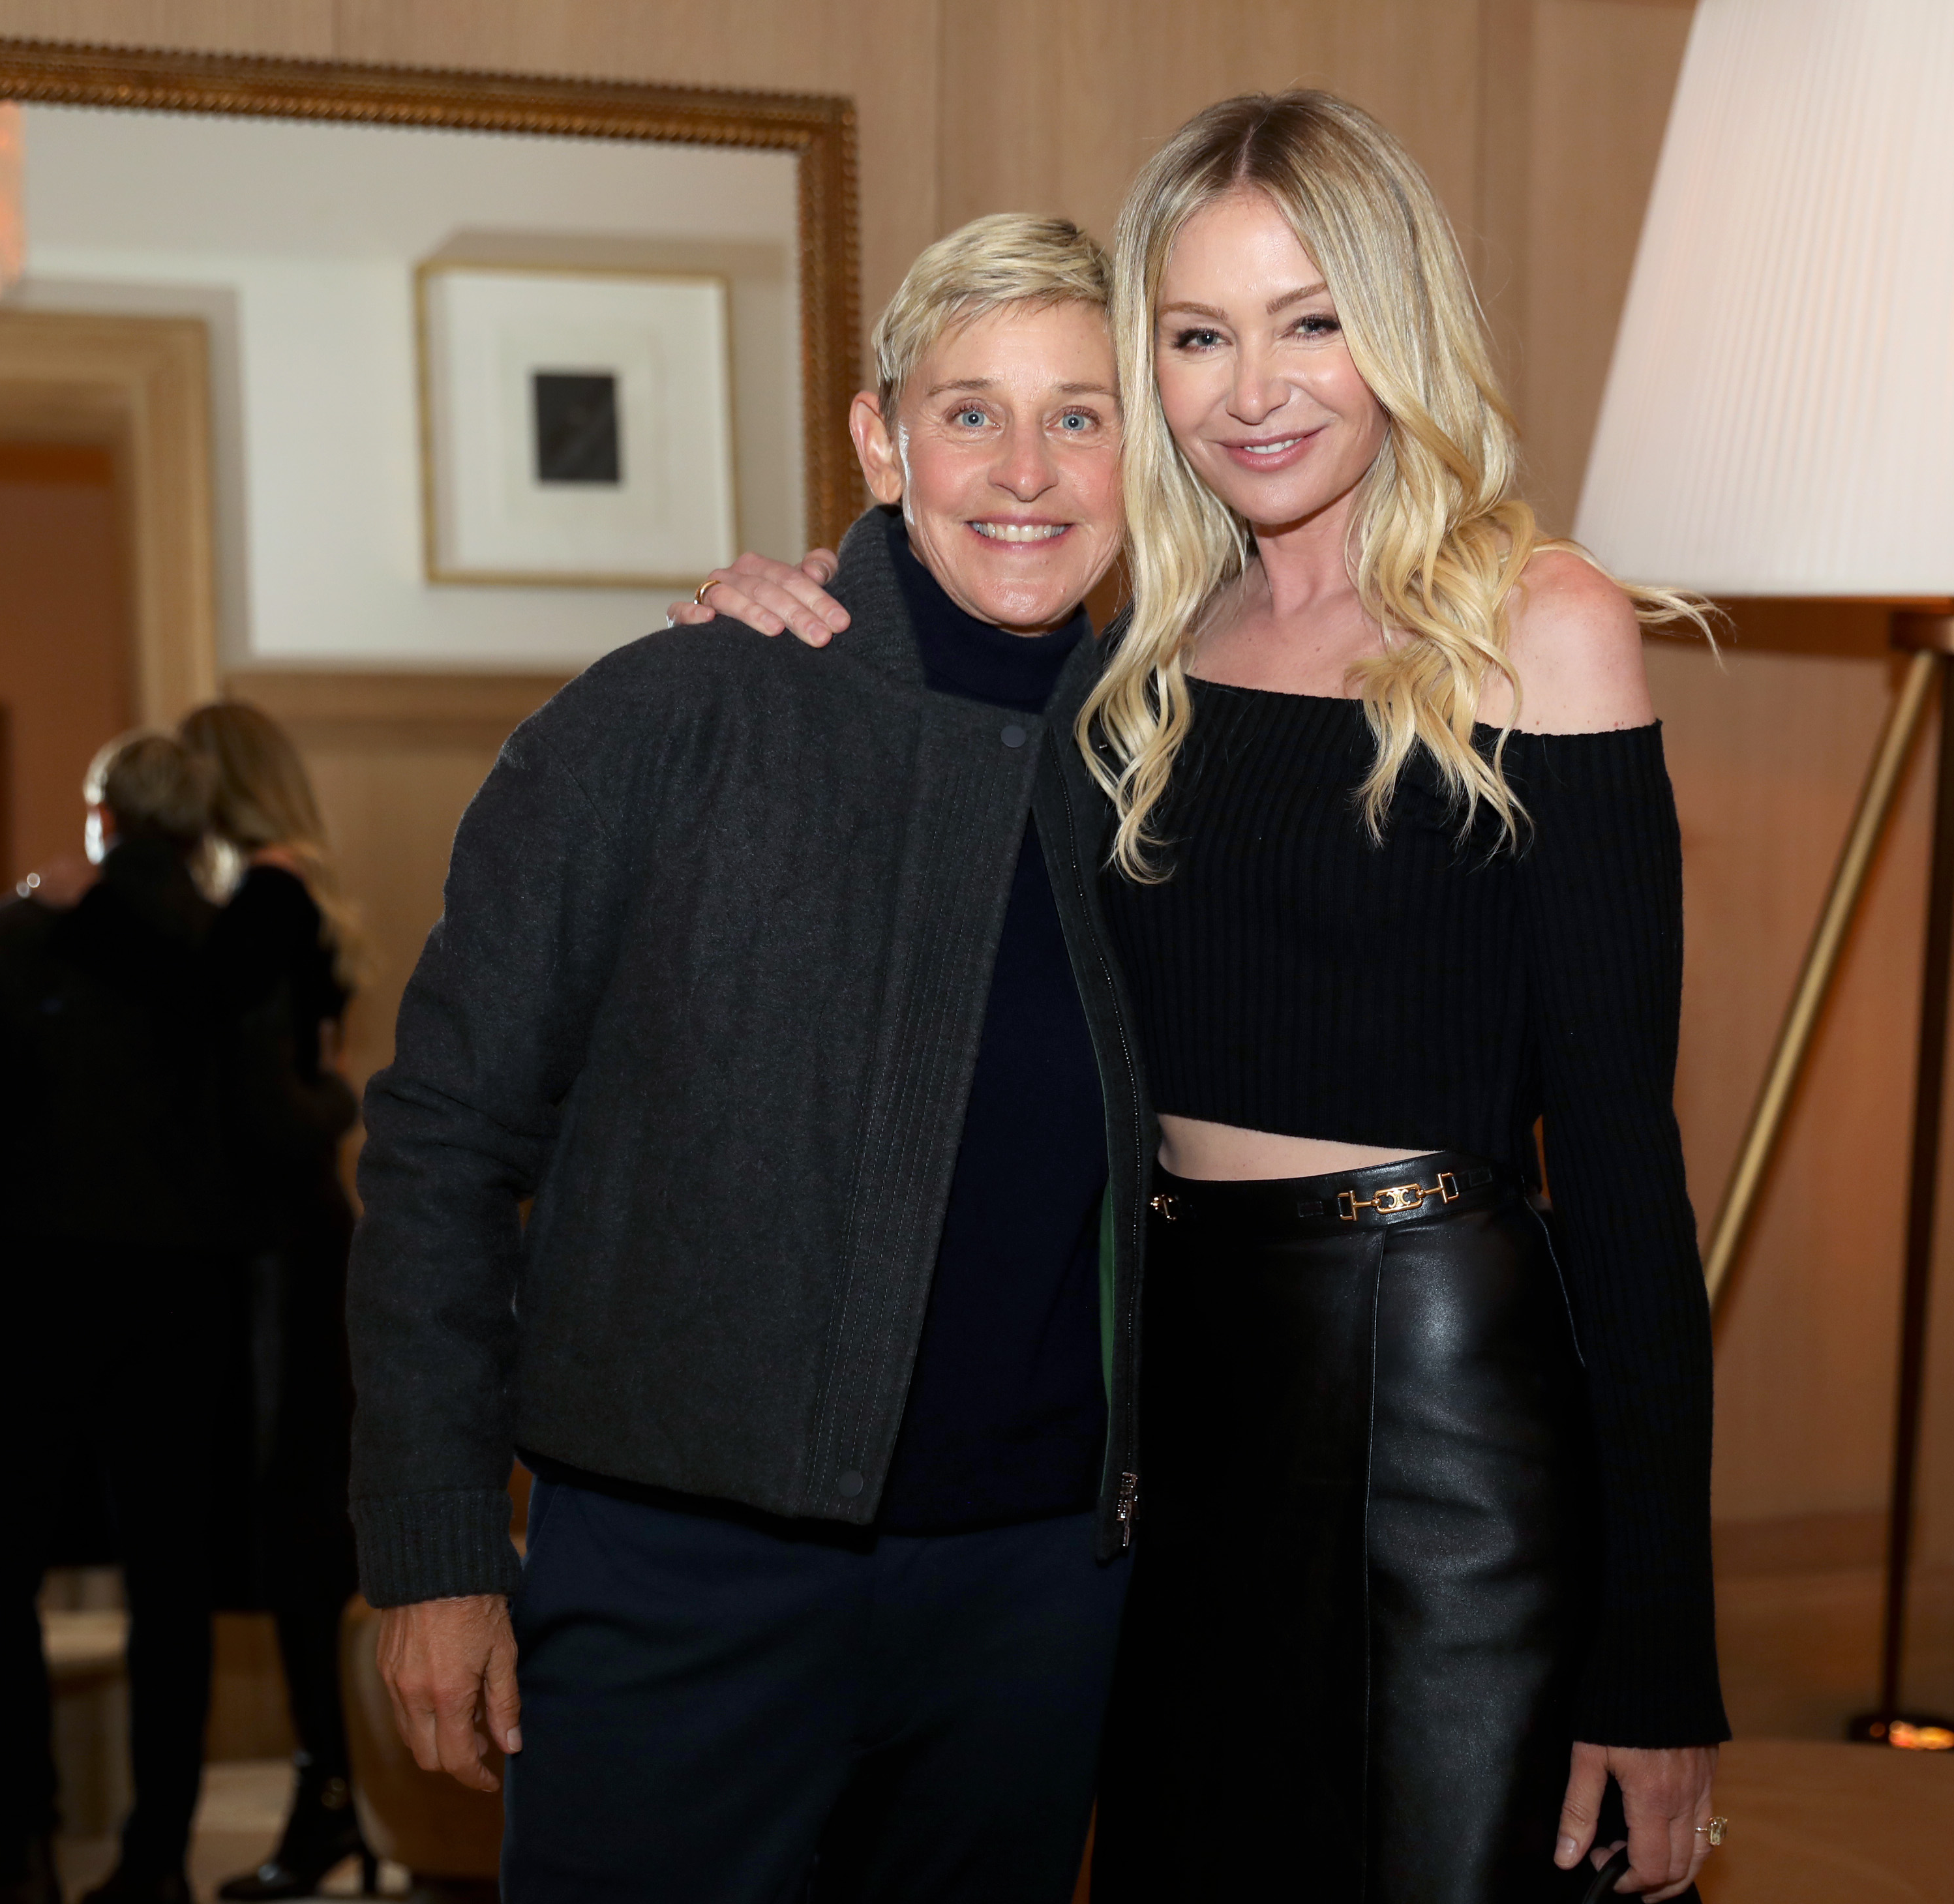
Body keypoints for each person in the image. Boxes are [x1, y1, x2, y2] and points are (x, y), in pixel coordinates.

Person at [685, 91, 1728, 1904]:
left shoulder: (1540, 626)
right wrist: (786, 600)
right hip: (1167, 1402)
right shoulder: (1138, 648)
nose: (1255, 387)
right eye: (1197, 334)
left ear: (1400, 328)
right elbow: (924, 669)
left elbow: (1627, 1170)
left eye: (1311, 319)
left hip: (1442, 1404)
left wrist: (1659, 1660)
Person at [347, 215, 1150, 1904]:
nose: (1025, 469)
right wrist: (432, 1552)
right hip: (676, 1580)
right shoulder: (671, 715)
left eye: (1080, 414)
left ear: (1143, 443)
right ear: (878, 434)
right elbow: (439, 1140)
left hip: (1035, 1596)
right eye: (969, 410)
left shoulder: (1164, 770)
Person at [0, 734, 231, 1904]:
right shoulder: (229, 948)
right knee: (171, 1592)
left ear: (104, 819)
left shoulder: (24, 942)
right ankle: (160, 1853)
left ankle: (21, 1837)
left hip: (30, 1295)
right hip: (180, 1302)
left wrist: (17, 902)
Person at [173, 703, 375, 1901]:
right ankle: (327, 1796)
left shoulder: (260, 902)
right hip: (304, 1242)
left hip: (277, 1254)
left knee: (295, 1529)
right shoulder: (293, 895)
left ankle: (326, 1798)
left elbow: (268, 1107)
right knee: (301, 1523)